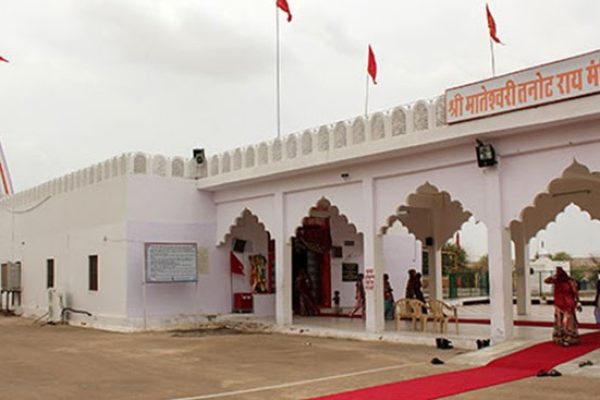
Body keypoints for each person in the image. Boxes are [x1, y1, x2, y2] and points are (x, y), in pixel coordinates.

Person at [544, 267, 580, 346]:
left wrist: (578, 301)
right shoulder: (558, 281)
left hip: (566, 304)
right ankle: (563, 338)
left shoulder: (568, 281)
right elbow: (546, 281)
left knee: (565, 321)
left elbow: (575, 292)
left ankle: (567, 338)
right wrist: (553, 276)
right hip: (561, 304)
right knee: (562, 321)